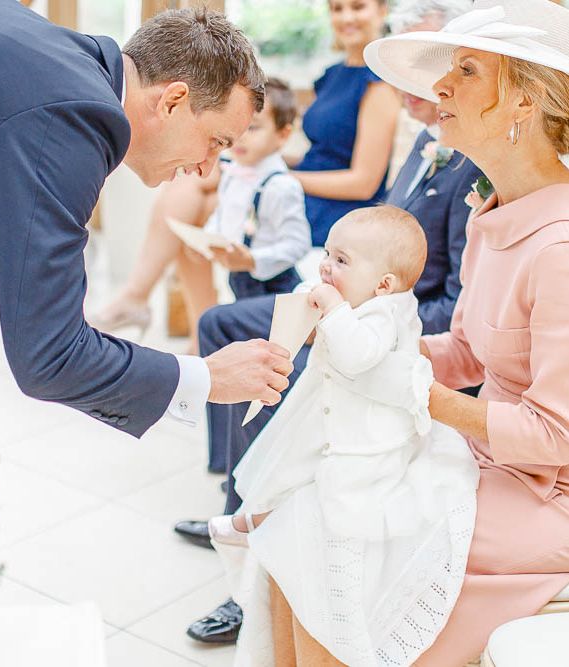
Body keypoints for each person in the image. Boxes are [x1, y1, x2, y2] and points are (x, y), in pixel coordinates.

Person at [261, 0, 569, 662]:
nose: (439, 88)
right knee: (297, 514)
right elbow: (460, 352)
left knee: (325, 527)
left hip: (548, 495)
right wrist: (351, 336)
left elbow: (553, 436)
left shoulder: (559, 248)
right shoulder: (493, 214)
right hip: (485, 455)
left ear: (524, 103)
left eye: (465, 70)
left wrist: (408, 390)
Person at [0, 2, 295, 439]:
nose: (207, 168)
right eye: (215, 141)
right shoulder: (75, 115)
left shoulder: (52, 59)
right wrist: (208, 377)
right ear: (173, 101)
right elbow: (49, 354)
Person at [179, 0, 478, 644]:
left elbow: (451, 304)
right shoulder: (426, 146)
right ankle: (237, 499)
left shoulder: (469, 169)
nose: (420, 83)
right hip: (353, 297)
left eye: (433, 66)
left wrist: (357, 321)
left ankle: (251, 522)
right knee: (225, 325)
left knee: (242, 331)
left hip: (384, 324)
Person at [209, 206, 479, 666]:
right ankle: (251, 517)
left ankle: (252, 521)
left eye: (342, 260)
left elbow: (358, 356)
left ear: (384, 285)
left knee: (308, 474)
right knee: (281, 458)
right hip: (331, 413)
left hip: (368, 439)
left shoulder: (385, 317)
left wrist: (332, 310)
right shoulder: (363, 302)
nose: (326, 266)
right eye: (328, 254)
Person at [93, 0, 400, 350]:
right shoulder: (330, 77)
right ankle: (196, 330)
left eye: (357, 7)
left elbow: (363, 181)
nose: (346, 17)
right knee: (194, 199)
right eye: (337, 9)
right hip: (299, 181)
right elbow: (320, 151)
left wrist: (274, 177)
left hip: (329, 205)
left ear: (382, 12)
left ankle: (150, 307)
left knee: (199, 201)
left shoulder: (378, 86)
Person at [201, 78, 311, 300]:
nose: (240, 138)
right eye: (236, 126)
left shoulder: (281, 186)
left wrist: (253, 259)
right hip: (239, 280)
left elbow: (298, 244)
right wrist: (209, 239)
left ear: (283, 135)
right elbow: (224, 214)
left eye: (253, 128)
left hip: (275, 290)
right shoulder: (232, 174)